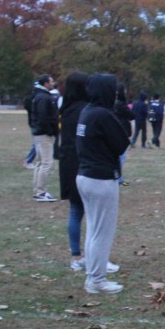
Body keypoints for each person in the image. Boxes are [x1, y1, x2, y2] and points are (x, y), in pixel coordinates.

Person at [59, 72, 120, 276]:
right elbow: (118, 142)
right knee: (97, 223)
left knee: (78, 213)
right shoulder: (92, 111)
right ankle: (95, 265)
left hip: (72, 164)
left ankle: (79, 256)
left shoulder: (69, 109)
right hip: (91, 167)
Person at [76, 74, 129, 294]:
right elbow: (122, 143)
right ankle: (96, 279)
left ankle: (93, 274)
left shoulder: (87, 112)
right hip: (101, 178)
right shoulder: (103, 115)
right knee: (102, 232)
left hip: (85, 175)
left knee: (93, 229)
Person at [29, 74, 59, 202]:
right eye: (51, 81)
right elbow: (43, 117)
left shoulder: (40, 95)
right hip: (44, 134)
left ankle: (38, 191)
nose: (53, 83)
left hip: (39, 133)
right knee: (46, 163)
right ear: (46, 83)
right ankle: (41, 192)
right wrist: (50, 131)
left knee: (40, 162)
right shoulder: (43, 97)